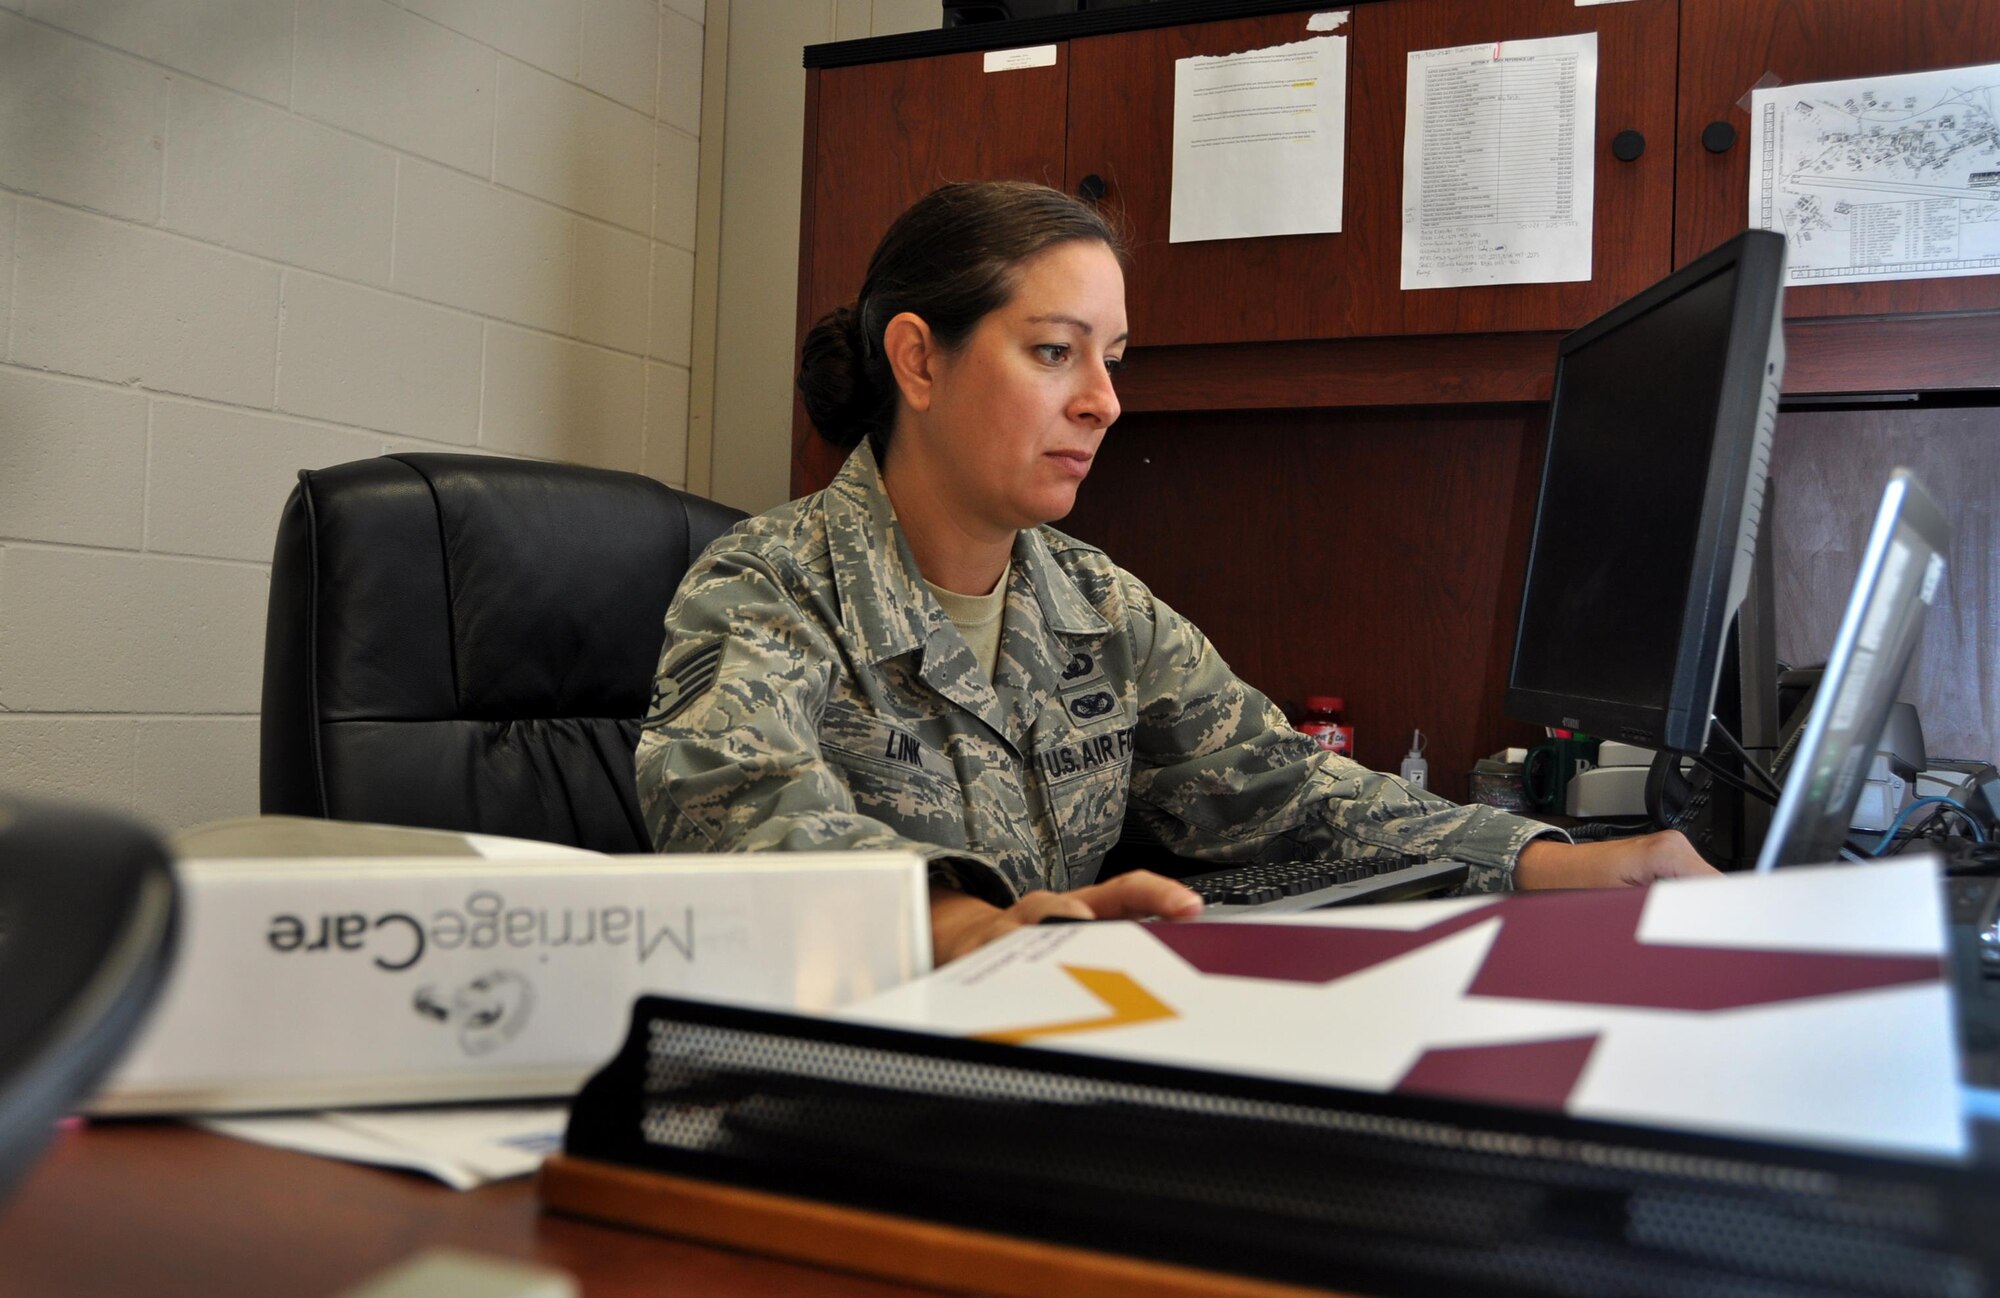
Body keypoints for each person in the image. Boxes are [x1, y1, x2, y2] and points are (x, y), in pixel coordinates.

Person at [636, 181, 1714, 964]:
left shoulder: (1097, 604)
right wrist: (958, 921)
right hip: (840, 1081)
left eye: (1112, 358)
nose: (1103, 401)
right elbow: (730, 800)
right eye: (1054, 351)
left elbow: (1277, 788)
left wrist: (1542, 861)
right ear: (918, 358)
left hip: (1055, 1051)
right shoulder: (772, 582)